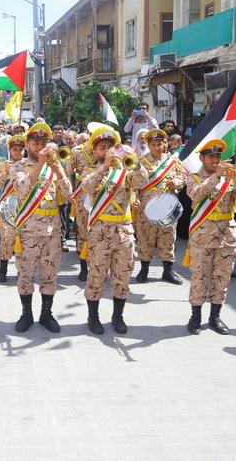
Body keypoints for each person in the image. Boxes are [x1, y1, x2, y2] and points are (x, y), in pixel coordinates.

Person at [80, 125, 147, 335]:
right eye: (102, 147)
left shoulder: (125, 170)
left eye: (110, 146)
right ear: (95, 151)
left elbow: (142, 182)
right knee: (97, 276)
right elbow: (87, 188)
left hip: (124, 230)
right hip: (100, 232)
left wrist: (135, 163)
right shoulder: (91, 170)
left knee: (122, 276)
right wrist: (104, 167)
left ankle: (118, 317)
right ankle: (93, 316)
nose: (107, 150)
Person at [9, 123, 72, 333]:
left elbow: (69, 193)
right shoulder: (17, 167)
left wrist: (58, 170)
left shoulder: (54, 166)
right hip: (28, 232)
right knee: (25, 275)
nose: (40, 147)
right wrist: (41, 165)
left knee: (49, 275)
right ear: (27, 145)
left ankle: (46, 314)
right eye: (36, 143)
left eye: (43, 143)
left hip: (52, 232)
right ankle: (26, 314)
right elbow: (23, 188)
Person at [185, 139, 236, 335]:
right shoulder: (195, 178)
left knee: (221, 278)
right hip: (203, 236)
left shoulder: (229, 178)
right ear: (202, 158)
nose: (215, 160)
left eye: (217, 156)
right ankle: (195, 316)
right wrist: (216, 176)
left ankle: (215, 316)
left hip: (226, 236)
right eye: (211, 157)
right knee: (200, 277)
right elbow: (196, 195)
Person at [134, 129, 187, 284]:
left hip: (167, 207)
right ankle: (144, 270)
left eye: (160, 144)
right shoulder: (141, 162)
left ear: (165, 144)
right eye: (153, 144)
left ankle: (168, 271)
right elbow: (133, 183)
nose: (157, 147)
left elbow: (183, 176)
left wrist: (175, 182)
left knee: (168, 238)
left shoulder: (173, 162)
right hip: (146, 208)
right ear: (148, 145)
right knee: (145, 238)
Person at [0, 135, 25, 282]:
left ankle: (21, 270)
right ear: (9, 150)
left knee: (23, 239)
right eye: (14, 149)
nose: (17, 152)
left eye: (20, 149)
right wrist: (6, 172)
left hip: (24, 205)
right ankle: (2, 268)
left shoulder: (29, 165)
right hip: (7, 207)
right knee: (6, 239)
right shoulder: (2, 165)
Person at [69, 134, 98, 282]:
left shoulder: (105, 150)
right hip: (82, 190)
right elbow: (69, 171)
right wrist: (69, 191)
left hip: (101, 191)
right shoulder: (77, 151)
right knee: (82, 228)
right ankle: (83, 266)